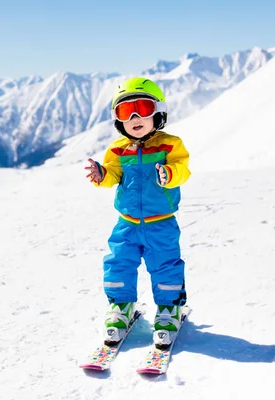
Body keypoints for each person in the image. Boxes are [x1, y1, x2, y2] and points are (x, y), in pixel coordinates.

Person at [85, 77, 191, 348]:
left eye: (142, 108)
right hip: (127, 223)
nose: (134, 117)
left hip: (161, 223)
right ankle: (122, 307)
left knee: (165, 265)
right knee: (118, 262)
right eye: (125, 111)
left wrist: (169, 173)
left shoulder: (170, 145)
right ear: (118, 120)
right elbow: (113, 173)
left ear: (158, 112)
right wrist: (102, 174)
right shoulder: (118, 149)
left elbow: (182, 169)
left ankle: (170, 311)